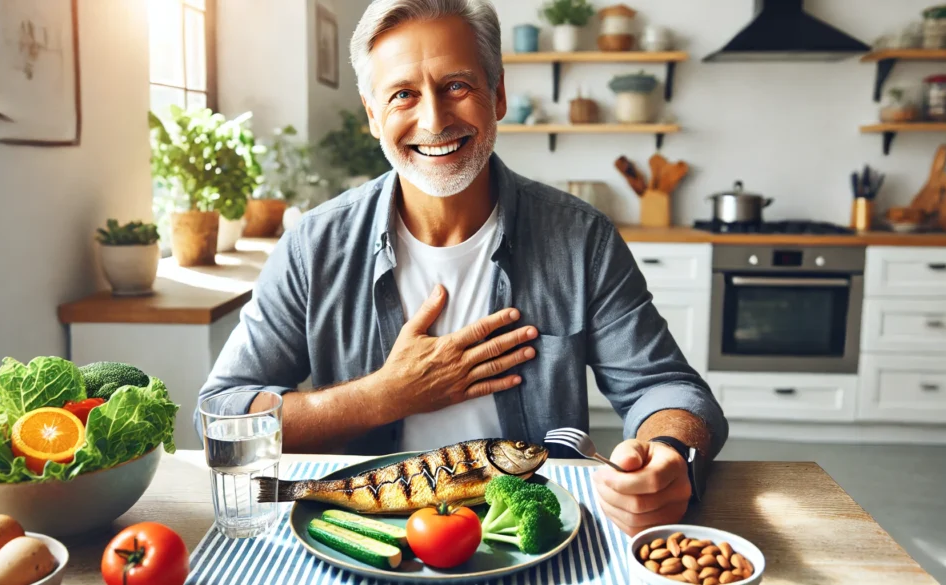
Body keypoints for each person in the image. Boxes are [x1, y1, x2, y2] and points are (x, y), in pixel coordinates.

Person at [198, 0, 728, 536]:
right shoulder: (313, 245)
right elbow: (223, 414)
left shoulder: (581, 237)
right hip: (361, 539)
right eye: (403, 93)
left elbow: (664, 388)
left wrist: (670, 457)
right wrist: (383, 395)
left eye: (456, 86)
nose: (434, 120)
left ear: (497, 94)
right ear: (372, 113)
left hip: (528, 541)